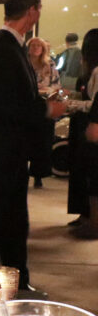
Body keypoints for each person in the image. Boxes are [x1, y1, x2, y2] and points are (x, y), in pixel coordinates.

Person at [0, 0, 66, 289]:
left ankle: (12, 281)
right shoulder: (4, 51)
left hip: (1, 151)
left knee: (9, 220)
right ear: (32, 11)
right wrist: (49, 107)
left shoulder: (7, 48)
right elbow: (10, 106)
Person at [65, 28, 98, 237]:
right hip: (87, 124)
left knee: (91, 175)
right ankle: (87, 217)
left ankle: (93, 223)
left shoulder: (95, 71)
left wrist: (72, 104)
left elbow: (95, 104)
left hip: (90, 126)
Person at [27, 37, 60, 187]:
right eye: (32, 45)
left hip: (43, 104)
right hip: (27, 104)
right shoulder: (23, 63)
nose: (34, 48)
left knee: (41, 142)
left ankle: (38, 175)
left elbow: (56, 87)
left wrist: (44, 89)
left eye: (38, 45)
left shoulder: (49, 66)